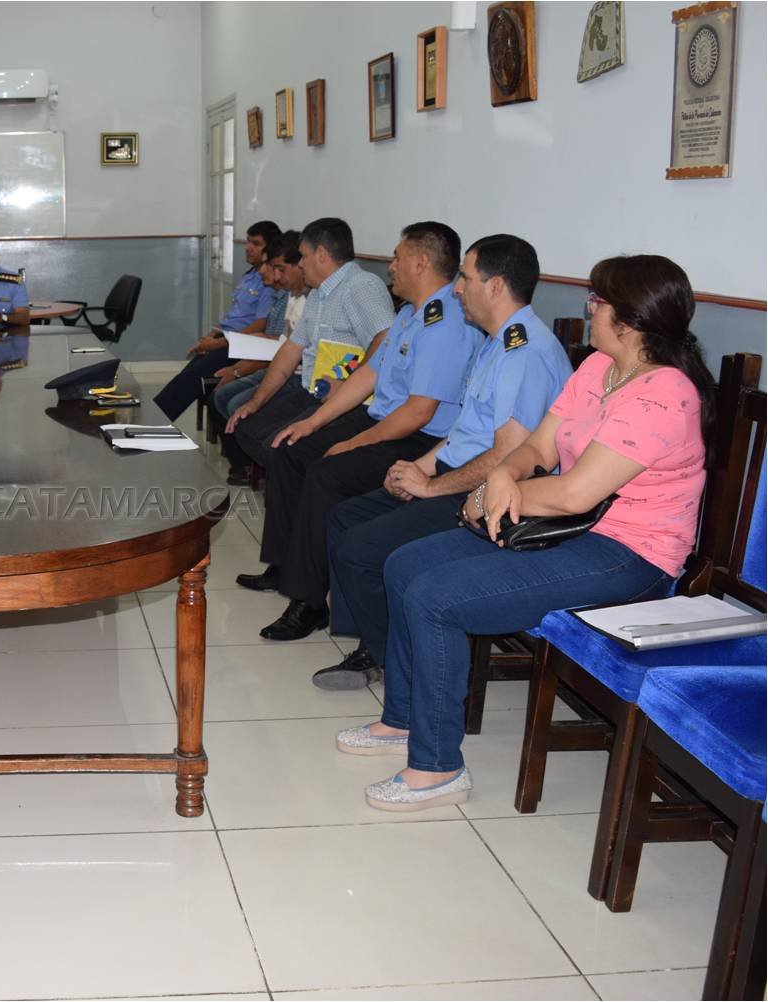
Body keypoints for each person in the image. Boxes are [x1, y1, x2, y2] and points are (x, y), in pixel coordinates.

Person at [341, 254, 713, 811]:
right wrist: (501, 474)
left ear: (630, 319)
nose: (590, 309)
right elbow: (538, 448)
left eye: (599, 301)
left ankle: (438, 766)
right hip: (567, 529)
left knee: (435, 597)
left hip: (629, 554)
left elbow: (575, 492)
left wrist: (488, 495)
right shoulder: (598, 368)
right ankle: (401, 719)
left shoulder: (664, 394)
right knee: (404, 563)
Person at [315, 234, 571, 690]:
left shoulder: (523, 353)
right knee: (344, 517)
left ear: (494, 287)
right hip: (461, 473)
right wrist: (423, 468)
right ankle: (375, 645)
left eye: (466, 279)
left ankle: (399, 667)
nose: (456, 289)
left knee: (362, 548)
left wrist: (432, 488)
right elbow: (464, 432)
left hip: (495, 497)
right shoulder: (495, 341)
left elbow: (508, 457)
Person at [247, 222, 482, 643]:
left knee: (325, 471)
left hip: (422, 440)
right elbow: (369, 373)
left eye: (397, 257)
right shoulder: (411, 312)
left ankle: (309, 602)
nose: (390, 266)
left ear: (420, 262)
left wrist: (352, 443)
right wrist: (313, 421)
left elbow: (418, 412)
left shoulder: (446, 321)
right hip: (383, 420)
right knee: (290, 446)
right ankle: (286, 567)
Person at [223, 217, 395, 480]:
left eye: (303, 256)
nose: (300, 263)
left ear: (322, 254)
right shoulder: (317, 294)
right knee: (246, 425)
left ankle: (297, 489)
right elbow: (291, 349)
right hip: (311, 389)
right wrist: (256, 401)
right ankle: (293, 482)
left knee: (281, 446)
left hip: (346, 400)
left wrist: (347, 385)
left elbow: (386, 341)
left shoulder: (361, 286)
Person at [152, 220, 282, 421]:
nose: (248, 248)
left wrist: (218, 343)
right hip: (226, 339)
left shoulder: (268, 283)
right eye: (247, 242)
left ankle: (155, 421)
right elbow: (234, 316)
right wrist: (211, 336)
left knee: (191, 380)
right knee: (187, 376)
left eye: (256, 244)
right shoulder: (249, 277)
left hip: (241, 345)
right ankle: (155, 418)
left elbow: (261, 324)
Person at [212, 230, 306, 483]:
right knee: (220, 393)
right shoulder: (290, 296)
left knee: (235, 403)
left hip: (297, 376)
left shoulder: (310, 298)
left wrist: (239, 370)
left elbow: (282, 347)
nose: (274, 276)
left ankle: (256, 467)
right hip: (277, 366)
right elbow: (279, 343)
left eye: (279, 269)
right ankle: (248, 466)